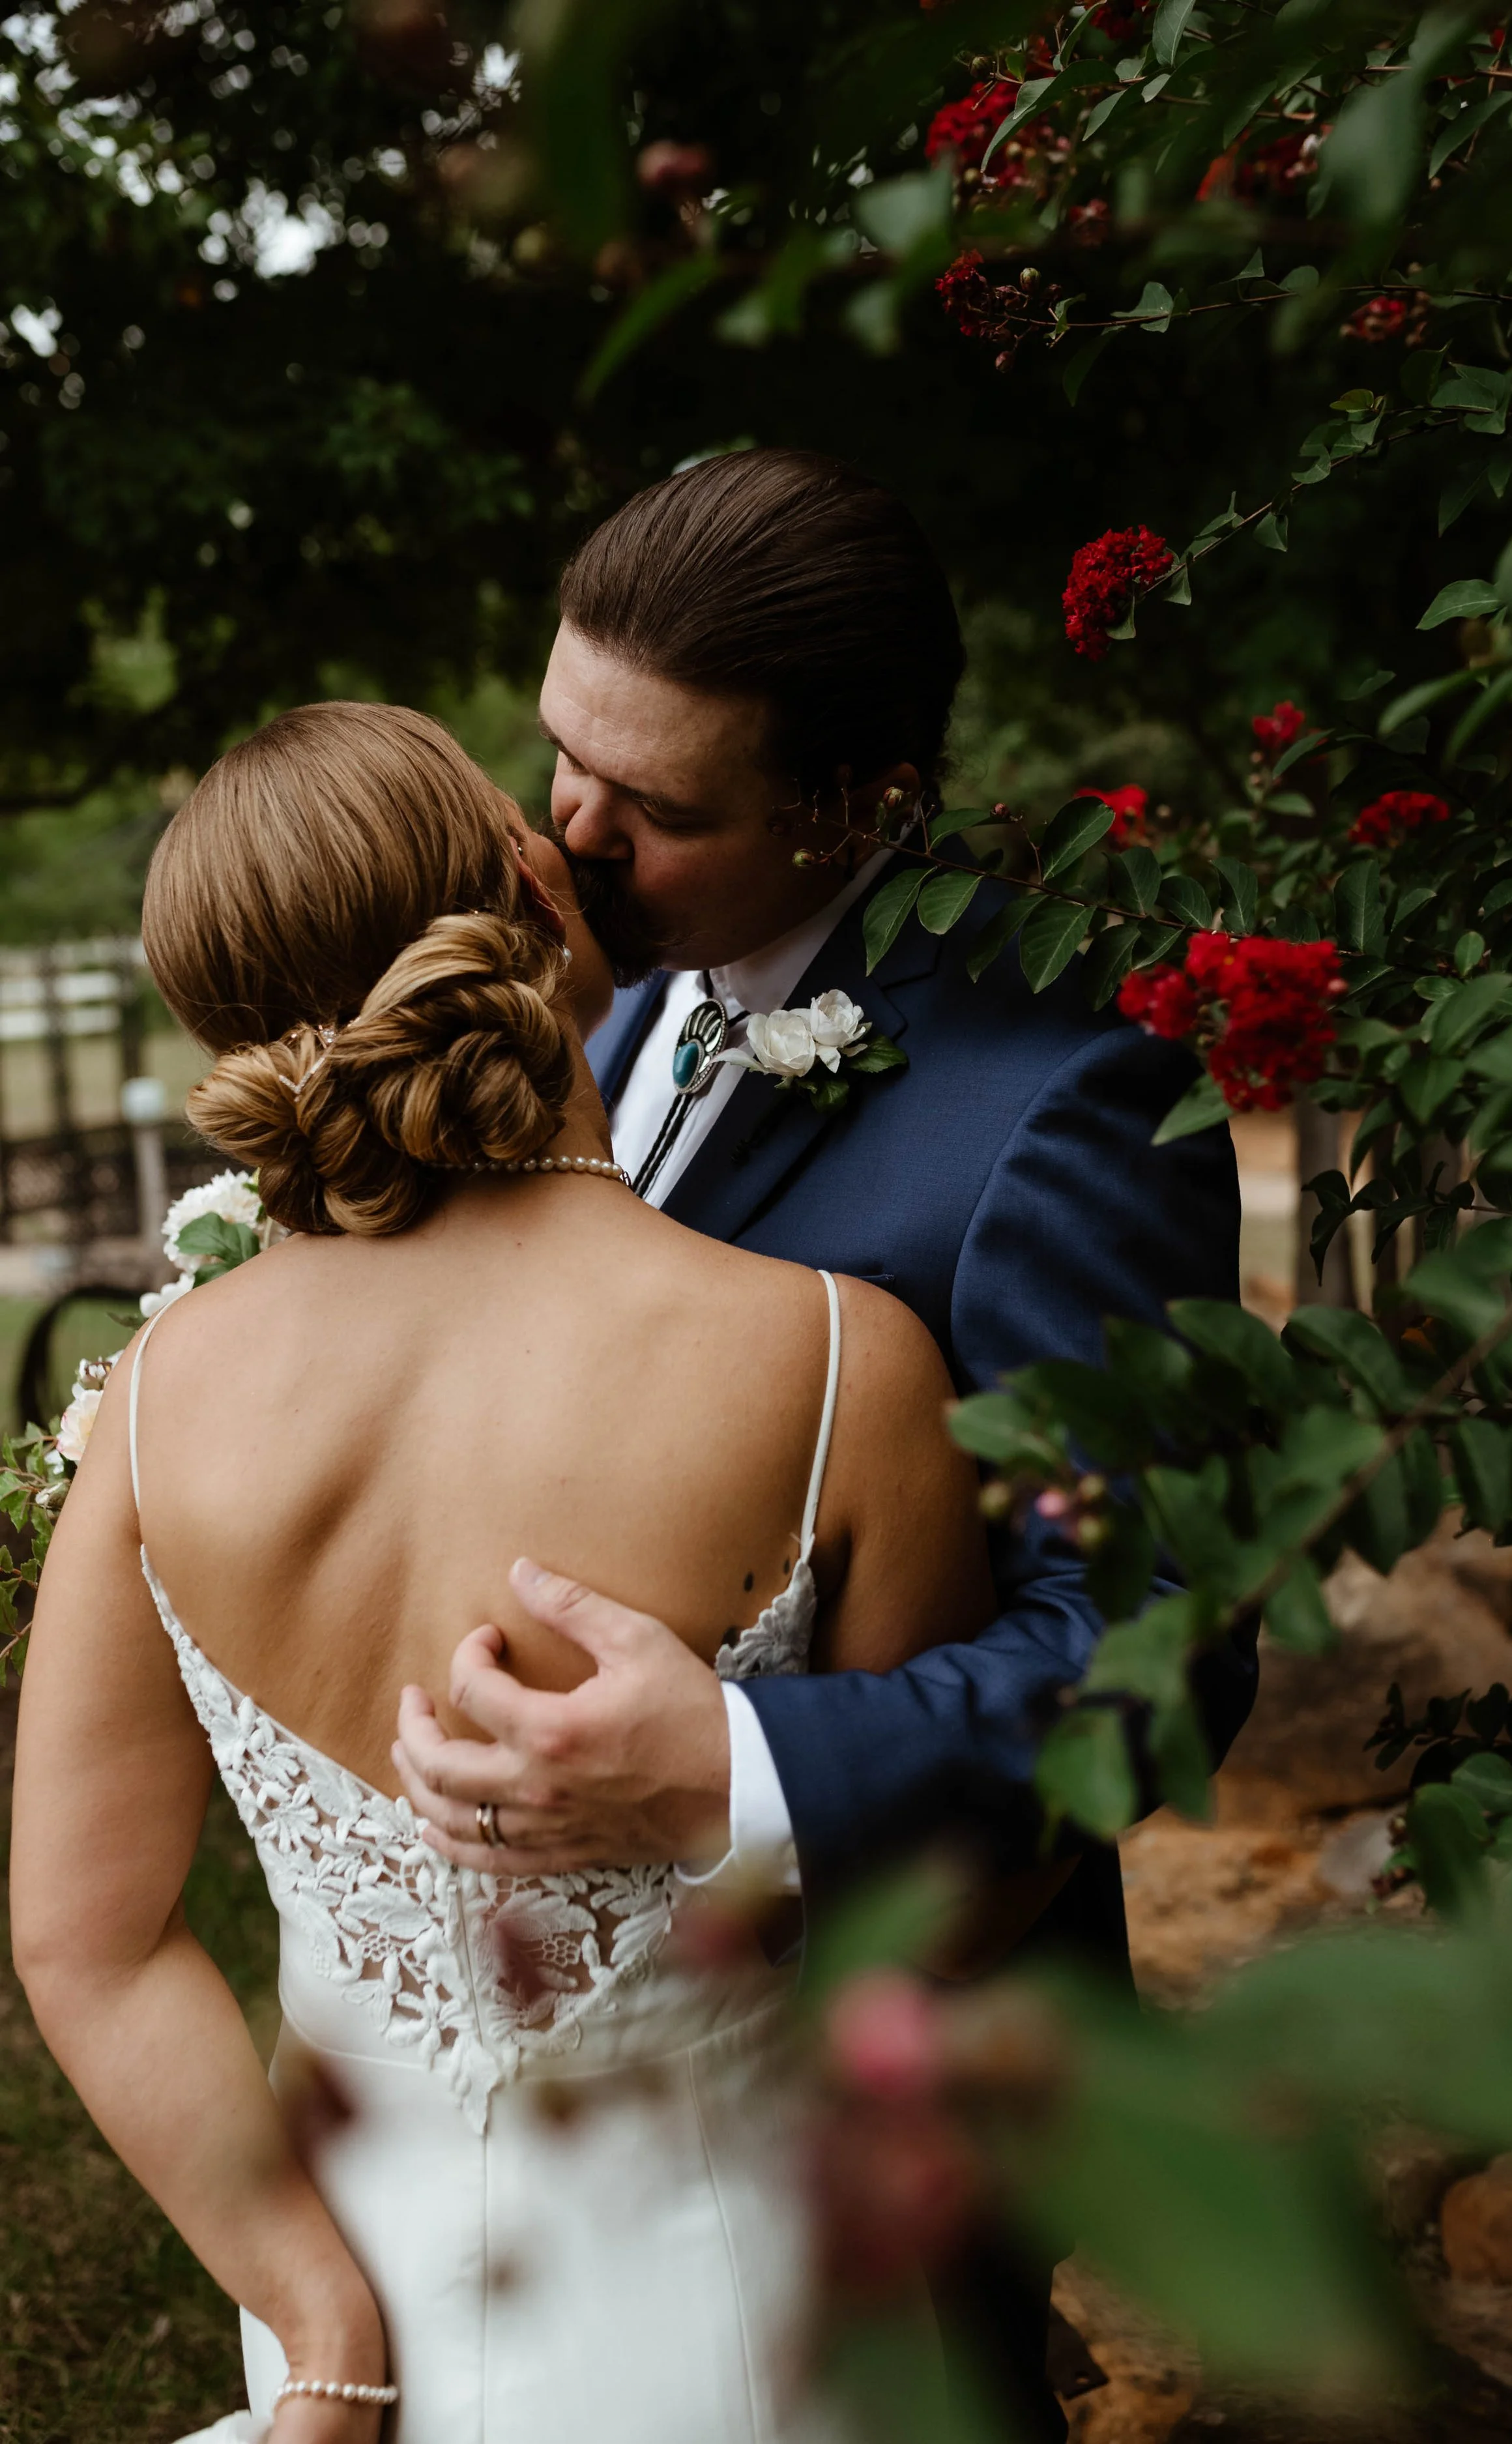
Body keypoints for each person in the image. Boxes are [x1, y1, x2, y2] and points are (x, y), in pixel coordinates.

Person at [10, 700, 998, 2444]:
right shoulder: (838, 1362)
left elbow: (83, 1938)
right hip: (752, 2301)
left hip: (362, 2298)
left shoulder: (159, 1407)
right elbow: (939, 1890)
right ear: (535, 889)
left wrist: (312, 2308)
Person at [393, 448, 1257, 2441]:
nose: (567, 834)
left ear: (861, 802)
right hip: (584, 2049)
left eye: (659, 807)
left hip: (886, 2058)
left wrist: (738, 1763)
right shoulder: (605, 1000)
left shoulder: (1068, 1092)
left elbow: (1163, 1643)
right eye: (559, 756)